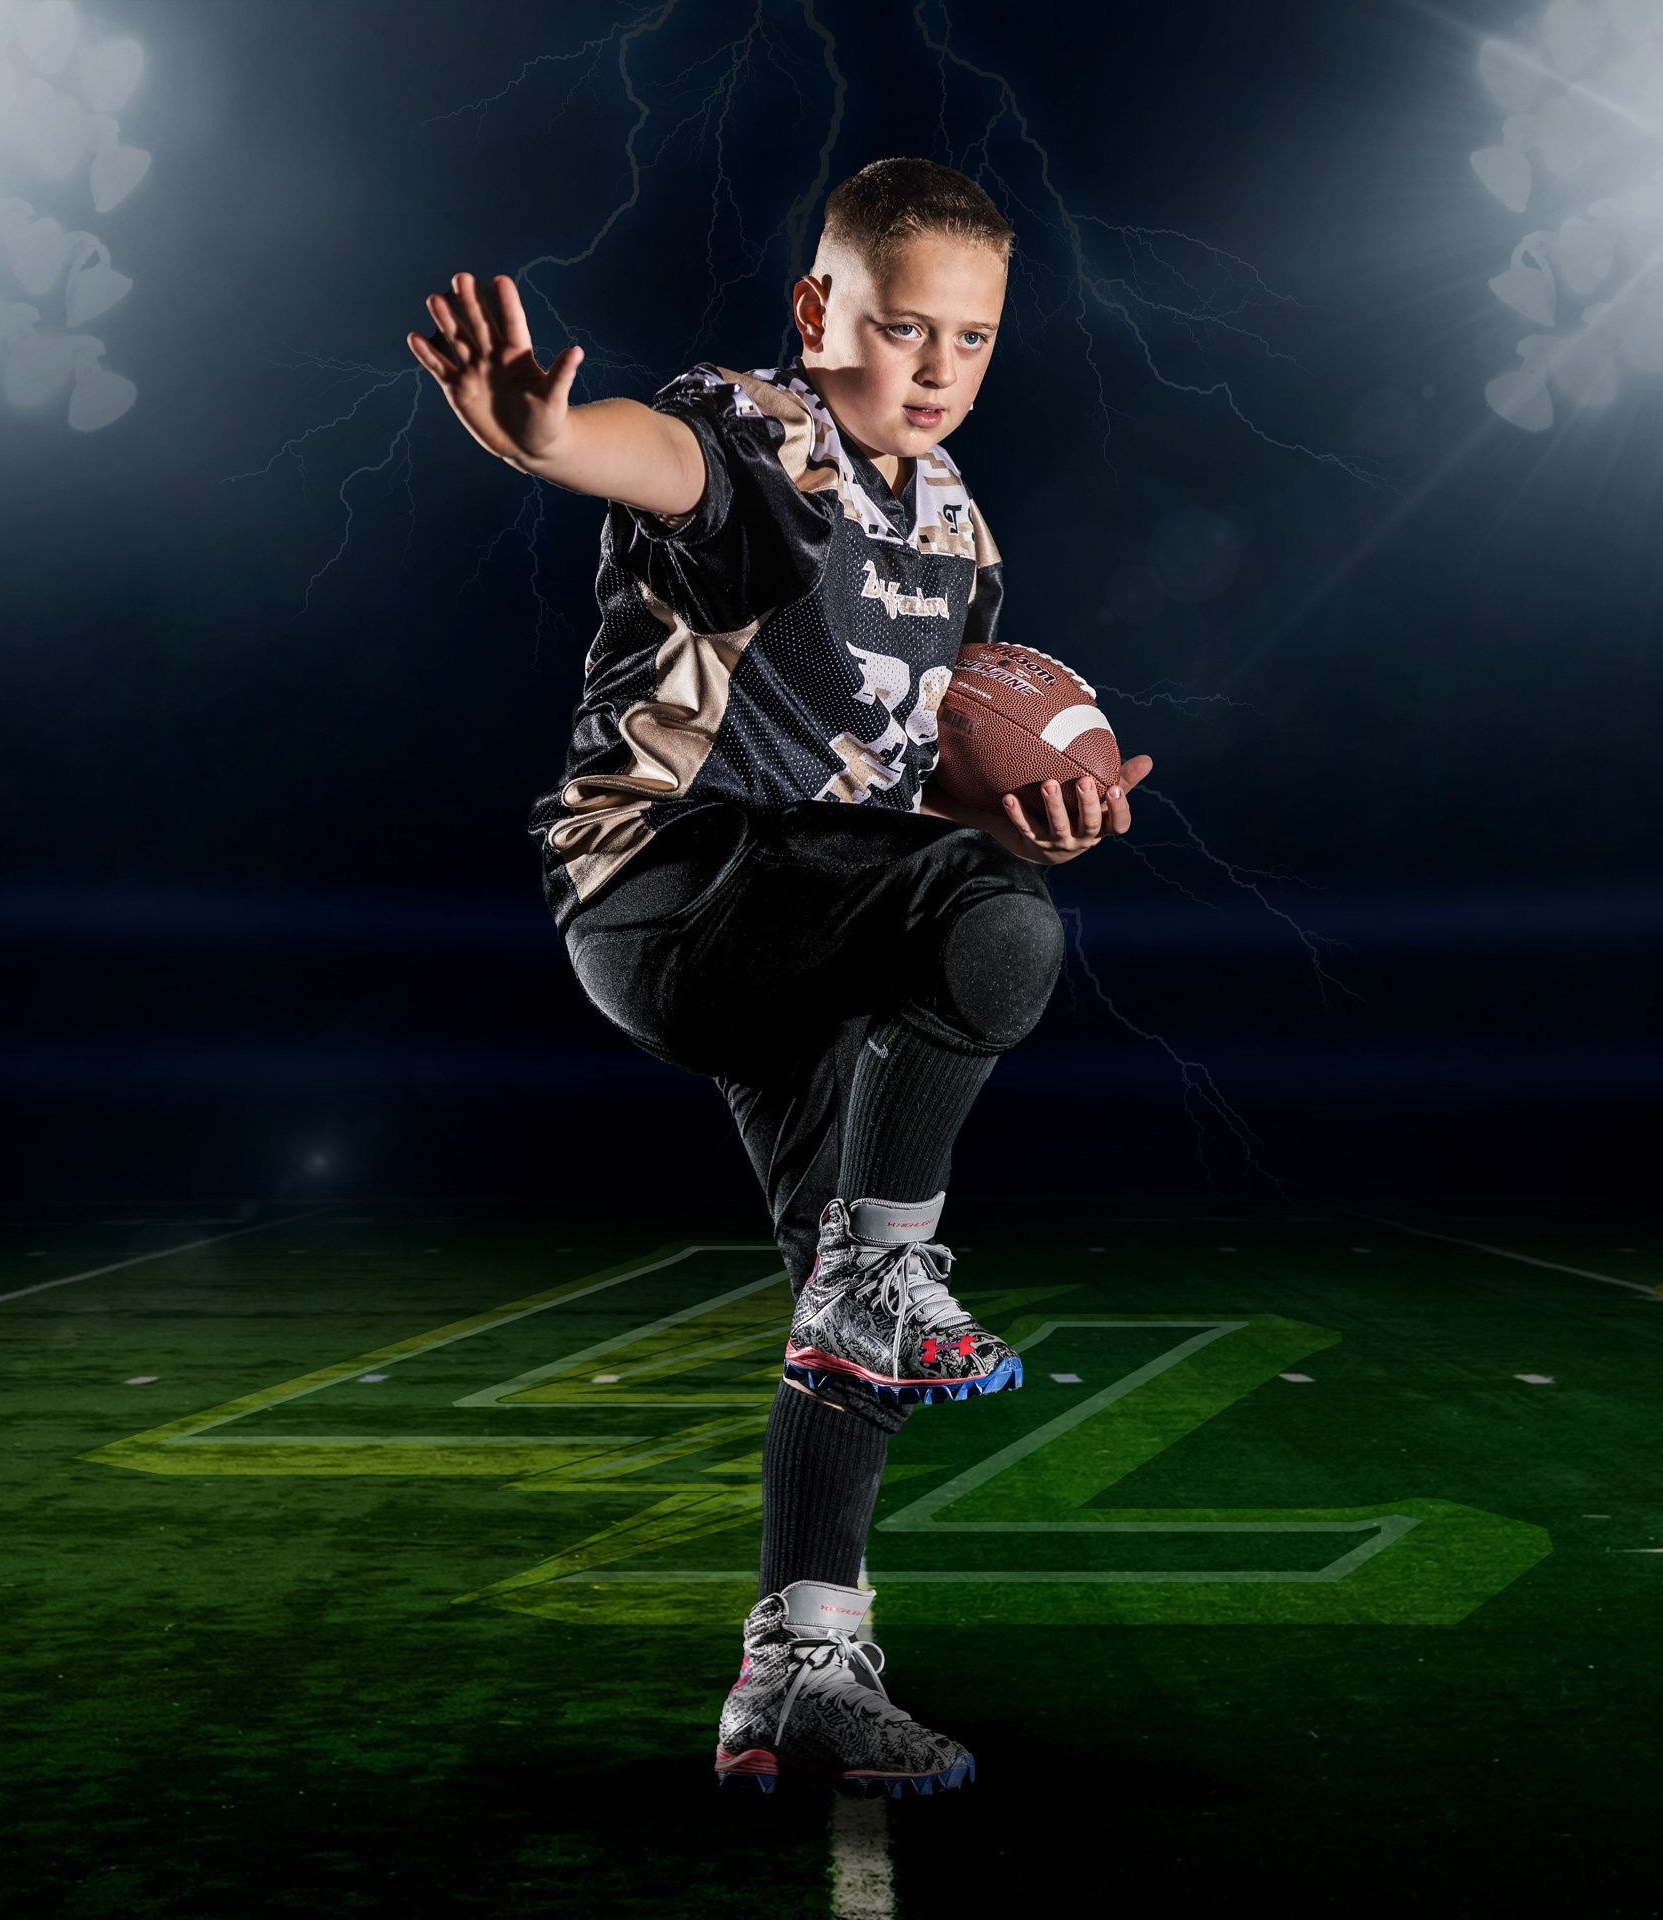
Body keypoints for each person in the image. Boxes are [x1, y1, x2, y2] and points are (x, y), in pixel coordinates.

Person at [408, 157, 1150, 1796]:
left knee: (855, 1313)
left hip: (808, 922)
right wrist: (545, 437)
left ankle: (800, 1666)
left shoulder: (958, 528)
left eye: (970, 339)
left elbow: (894, 779)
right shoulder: (761, 434)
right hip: (668, 884)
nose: (936, 368)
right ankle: (885, 1278)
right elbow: (660, 469)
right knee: (994, 935)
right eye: (900, 329)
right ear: (821, 315)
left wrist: (1008, 805)